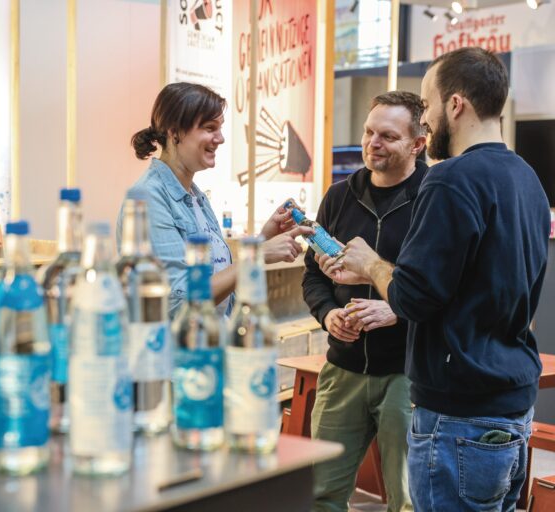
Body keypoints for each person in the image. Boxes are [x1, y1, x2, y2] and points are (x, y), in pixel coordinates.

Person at [321, 48, 550, 511]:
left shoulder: (451, 180)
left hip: (459, 416)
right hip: (511, 408)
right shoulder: (526, 178)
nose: (425, 120)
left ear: (455, 104)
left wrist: (370, 264)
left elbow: (413, 296)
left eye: (426, 106)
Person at [303, 91, 427, 512]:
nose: (373, 143)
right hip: (343, 369)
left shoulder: (435, 198)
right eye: (369, 132)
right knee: (321, 495)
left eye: (388, 136)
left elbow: (446, 288)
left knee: (408, 500)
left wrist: (399, 309)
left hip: (408, 374)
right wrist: (328, 315)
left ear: (418, 144)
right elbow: (313, 276)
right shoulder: (338, 197)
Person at [118, 82, 312, 318]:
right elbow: (179, 304)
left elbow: (217, 277)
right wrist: (257, 256)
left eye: (220, 128)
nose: (220, 138)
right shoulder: (149, 198)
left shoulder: (196, 196)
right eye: (210, 128)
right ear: (174, 132)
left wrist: (264, 238)